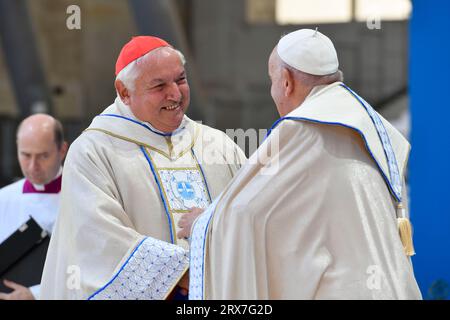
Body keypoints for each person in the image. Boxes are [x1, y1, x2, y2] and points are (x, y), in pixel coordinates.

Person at [187, 29, 422, 299]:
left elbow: (246, 215)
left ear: (286, 82)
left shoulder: (301, 130)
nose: (274, 90)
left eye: (272, 80)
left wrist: (205, 225)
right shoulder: (370, 123)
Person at [40, 36, 246, 300]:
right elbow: (97, 239)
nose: (175, 94)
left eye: (180, 80)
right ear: (124, 92)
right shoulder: (94, 150)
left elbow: (251, 214)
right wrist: (181, 272)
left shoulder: (218, 145)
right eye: (159, 85)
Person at [0, 114, 68, 300]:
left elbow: (89, 268)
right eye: (26, 155)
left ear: (62, 150)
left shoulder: (81, 198)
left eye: (43, 156)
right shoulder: (3, 198)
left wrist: (36, 295)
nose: (33, 166)